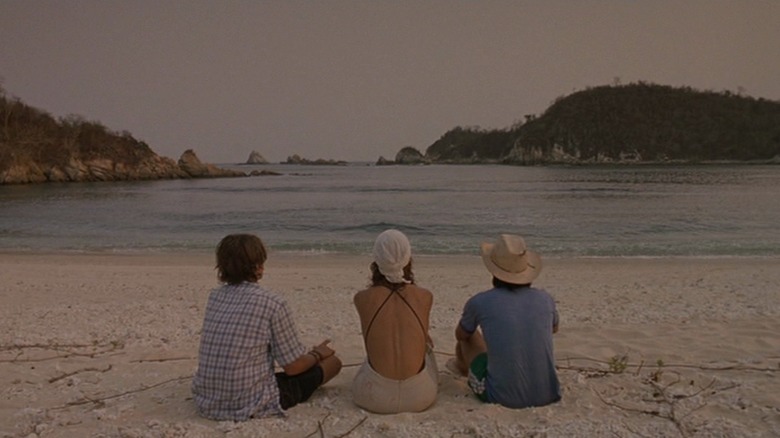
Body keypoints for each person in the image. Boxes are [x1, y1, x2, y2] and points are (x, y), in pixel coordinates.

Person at [192, 233, 342, 421]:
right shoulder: (273, 302)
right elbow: (293, 367)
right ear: (258, 267)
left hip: (208, 400)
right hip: (249, 402)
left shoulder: (215, 297)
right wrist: (318, 353)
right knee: (333, 363)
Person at [453, 234, 560, 408]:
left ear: (494, 271)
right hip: (548, 394)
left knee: (467, 336)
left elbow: (461, 334)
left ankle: (463, 368)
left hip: (501, 397)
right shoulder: (545, 299)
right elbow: (553, 329)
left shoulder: (480, 302)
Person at [351, 229, 438, 413]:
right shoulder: (425, 296)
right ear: (408, 259)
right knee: (428, 348)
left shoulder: (362, 298)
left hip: (373, 396)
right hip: (420, 396)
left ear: (376, 261)